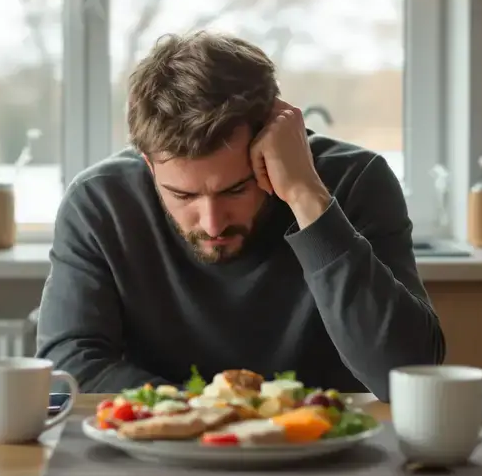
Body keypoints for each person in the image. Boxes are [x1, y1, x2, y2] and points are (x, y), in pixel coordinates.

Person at [35, 31, 444, 402]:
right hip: (159, 452)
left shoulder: (357, 181)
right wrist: (217, 413)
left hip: (324, 455)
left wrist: (307, 197)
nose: (212, 223)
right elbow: (69, 366)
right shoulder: (99, 202)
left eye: (235, 189)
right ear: (147, 162)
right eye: (182, 194)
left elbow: (408, 375)